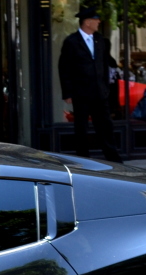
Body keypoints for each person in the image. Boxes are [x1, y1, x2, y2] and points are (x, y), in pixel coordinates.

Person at [58, 7, 122, 162]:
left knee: (105, 126)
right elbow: (64, 67)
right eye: (96, 19)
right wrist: (67, 92)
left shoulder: (100, 40)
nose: (99, 21)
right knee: (81, 128)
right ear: (87, 22)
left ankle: (113, 159)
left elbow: (104, 64)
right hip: (81, 93)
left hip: (100, 92)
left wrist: (106, 88)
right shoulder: (72, 42)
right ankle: (83, 159)